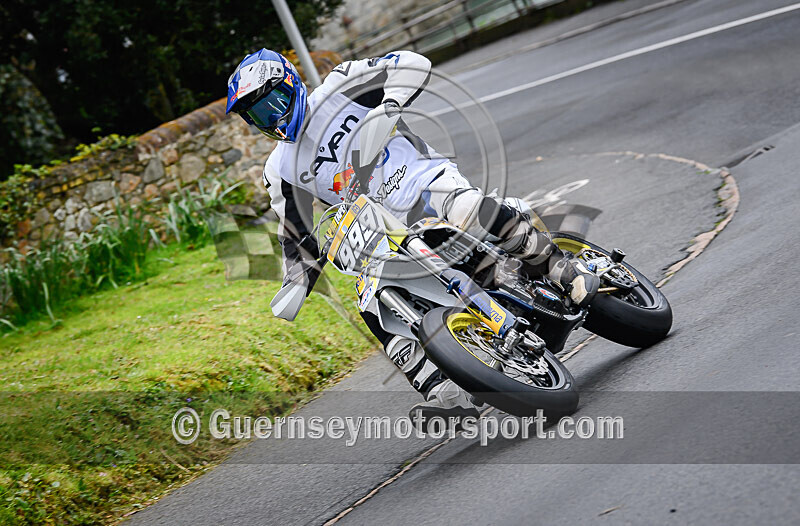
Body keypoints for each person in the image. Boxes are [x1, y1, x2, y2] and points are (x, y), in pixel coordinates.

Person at [225, 49, 599, 430]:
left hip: (424, 183)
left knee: (467, 208)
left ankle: (562, 270)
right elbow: (295, 229)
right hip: (377, 225)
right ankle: (442, 393)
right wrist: (297, 279)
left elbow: (411, 63)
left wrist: (388, 107)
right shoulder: (279, 168)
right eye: (258, 114)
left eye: (273, 103)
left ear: (290, 84)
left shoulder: (339, 87)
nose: (271, 118)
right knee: (370, 301)